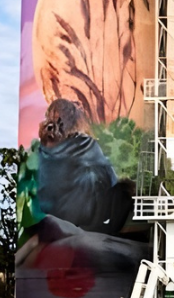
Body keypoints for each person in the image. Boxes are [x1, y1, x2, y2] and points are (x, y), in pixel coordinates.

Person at [36, 98, 133, 234]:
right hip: (84, 222)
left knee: (89, 177)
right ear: (73, 120)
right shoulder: (84, 144)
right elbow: (110, 179)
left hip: (49, 219)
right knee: (124, 189)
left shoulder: (40, 152)